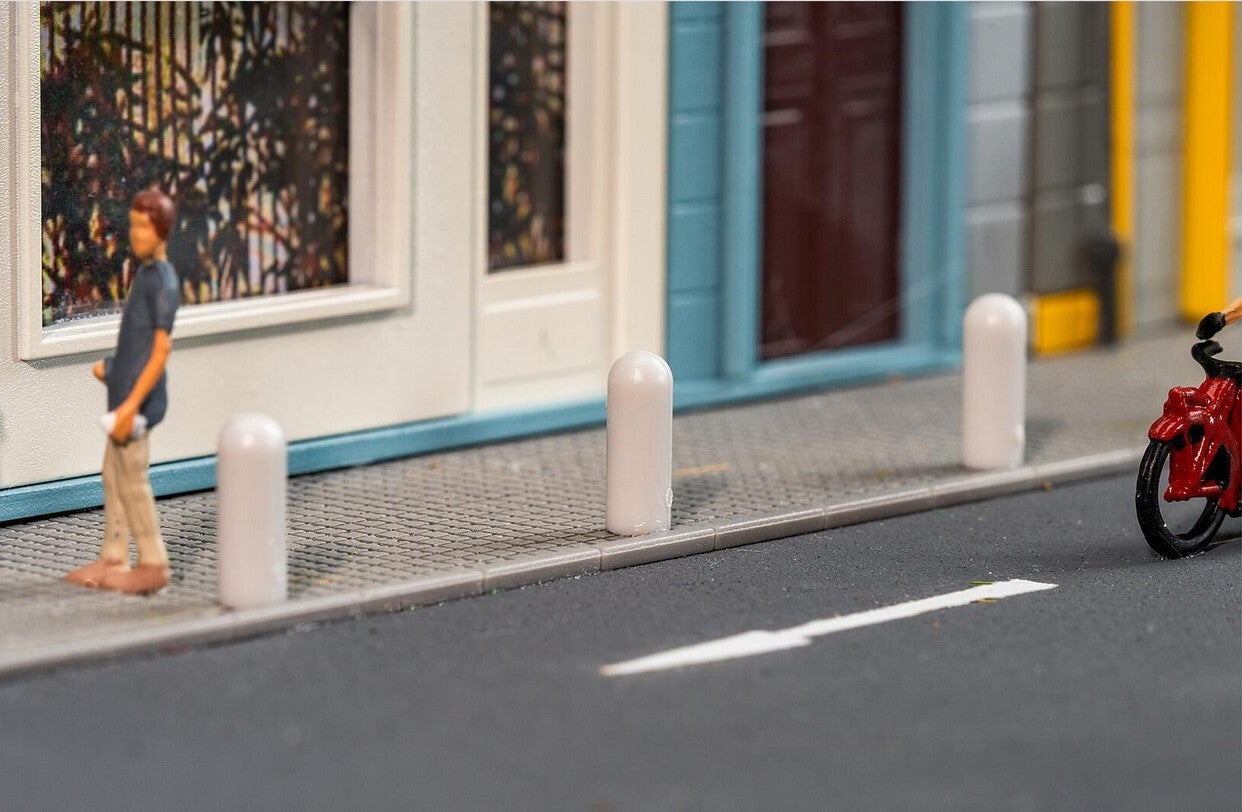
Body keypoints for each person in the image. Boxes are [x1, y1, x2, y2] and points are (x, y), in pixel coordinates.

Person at [66, 189, 180, 595]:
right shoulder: (146, 275)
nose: (135, 234)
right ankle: (114, 556)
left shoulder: (162, 281)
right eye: (132, 225)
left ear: (161, 231)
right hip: (123, 397)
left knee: (132, 480)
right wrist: (113, 371)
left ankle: (153, 563)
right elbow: (137, 345)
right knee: (112, 476)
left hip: (137, 407)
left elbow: (160, 351)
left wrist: (131, 405)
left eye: (142, 227)